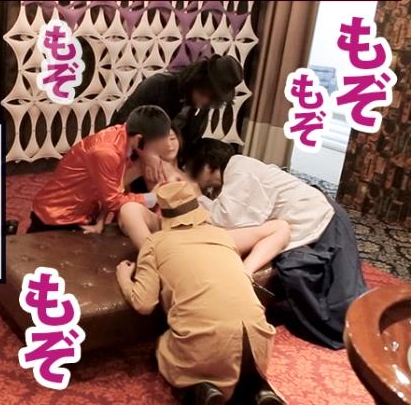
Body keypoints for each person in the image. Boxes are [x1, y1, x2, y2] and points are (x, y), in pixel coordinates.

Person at [184, 138, 368, 349]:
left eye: (190, 168)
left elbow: (226, 220)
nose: (189, 175)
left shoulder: (240, 172)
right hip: (311, 218)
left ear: (207, 165)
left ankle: (356, 329)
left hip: (323, 218)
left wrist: (197, 197)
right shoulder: (238, 171)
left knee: (332, 287)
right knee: (298, 271)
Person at [116, 181, 284, 405]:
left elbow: (143, 304)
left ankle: (201, 389)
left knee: (165, 351)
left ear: (162, 216)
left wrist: (124, 277)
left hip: (205, 346)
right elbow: (281, 228)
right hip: (260, 341)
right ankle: (259, 388)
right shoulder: (222, 236)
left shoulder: (154, 244)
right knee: (240, 352)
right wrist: (246, 272)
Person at [28, 105, 171, 249]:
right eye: (154, 147)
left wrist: (100, 220)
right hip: (57, 217)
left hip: (84, 214)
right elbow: (113, 201)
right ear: (139, 138)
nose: (154, 152)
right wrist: (153, 198)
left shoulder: (123, 136)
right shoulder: (107, 153)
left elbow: (112, 187)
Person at [110, 55, 243, 156]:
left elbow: (188, 148)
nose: (205, 101)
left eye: (212, 98)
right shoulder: (158, 85)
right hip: (127, 156)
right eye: (204, 92)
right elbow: (120, 127)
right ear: (198, 79)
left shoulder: (201, 109)